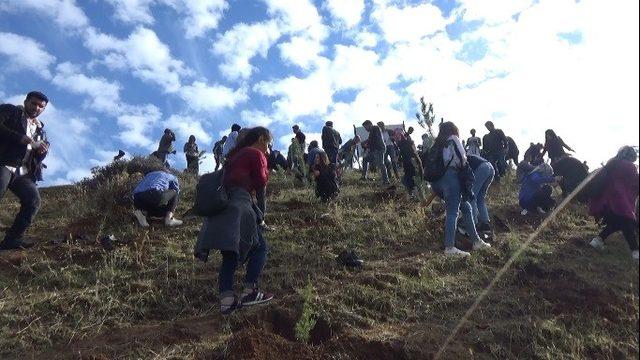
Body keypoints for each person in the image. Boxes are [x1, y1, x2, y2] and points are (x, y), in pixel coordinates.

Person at [195, 127, 274, 314]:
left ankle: (227, 301)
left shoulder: (234, 156)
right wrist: (261, 216)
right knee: (260, 246)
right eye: (269, 143)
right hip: (240, 204)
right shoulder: (255, 153)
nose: (269, 148)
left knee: (230, 253)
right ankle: (250, 291)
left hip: (222, 206)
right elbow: (261, 188)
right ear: (261, 138)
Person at [429, 121, 491, 256]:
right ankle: (449, 247)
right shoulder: (452, 139)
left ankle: (476, 241)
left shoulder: (437, 144)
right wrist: (466, 177)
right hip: (450, 179)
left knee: (466, 207)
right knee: (452, 213)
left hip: (436, 183)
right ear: (453, 130)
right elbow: (462, 159)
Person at [0, 91, 50, 250]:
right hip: (3, 163)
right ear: (26, 101)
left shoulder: (41, 130)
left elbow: (36, 158)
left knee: (33, 201)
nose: (37, 108)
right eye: (34, 103)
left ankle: (12, 240)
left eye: (41, 106)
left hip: (22, 172)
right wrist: (19, 138)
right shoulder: (10, 111)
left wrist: (42, 153)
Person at [587, 146, 638, 262]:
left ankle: (597, 240)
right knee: (628, 223)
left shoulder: (612, 163)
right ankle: (636, 252)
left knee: (618, 223)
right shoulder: (629, 167)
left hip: (606, 202)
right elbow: (635, 183)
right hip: (619, 203)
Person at [466, 155, 495, 236]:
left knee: (471, 197)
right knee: (480, 199)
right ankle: (486, 224)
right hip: (490, 168)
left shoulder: (460, 160)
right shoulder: (467, 156)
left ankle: (474, 224)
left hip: (482, 168)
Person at [398, 133, 426, 201]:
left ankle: (416, 197)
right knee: (409, 181)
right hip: (414, 173)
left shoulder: (407, 155)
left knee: (410, 182)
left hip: (413, 173)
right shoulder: (413, 154)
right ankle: (417, 198)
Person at [362, 120, 390, 185]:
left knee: (381, 164)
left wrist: (367, 145)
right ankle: (364, 176)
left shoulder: (375, 128)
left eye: (366, 127)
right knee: (365, 159)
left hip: (379, 149)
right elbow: (371, 140)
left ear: (369, 124)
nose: (365, 129)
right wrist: (367, 145)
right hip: (375, 150)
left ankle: (386, 181)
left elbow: (374, 140)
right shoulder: (373, 130)